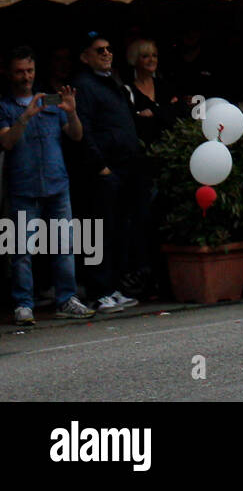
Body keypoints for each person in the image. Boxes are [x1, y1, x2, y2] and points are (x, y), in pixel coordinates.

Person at [1, 48, 96, 324]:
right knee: (22, 251)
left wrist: (73, 112)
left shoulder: (49, 101)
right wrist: (25, 116)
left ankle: (67, 299)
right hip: (23, 186)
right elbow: (5, 142)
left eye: (29, 71)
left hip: (57, 183)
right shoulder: (5, 107)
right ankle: (23, 304)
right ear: (9, 73)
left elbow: (76, 135)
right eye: (20, 72)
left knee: (64, 245)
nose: (26, 77)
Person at [71, 32, 142, 314]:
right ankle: (97, 292)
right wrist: (100, 166)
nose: (106, 53)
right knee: (96, 232)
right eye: (99, 50)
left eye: (109, 49)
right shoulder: (83, 86)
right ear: (84, 57)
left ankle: (112, 288)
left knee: (117, 230)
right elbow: (83, 131)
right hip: (101, 172)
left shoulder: (113, 82)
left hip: (124, 170)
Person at [123, 38, 182, 299]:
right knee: (143, 223)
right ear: (135, 60)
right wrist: (162, 112)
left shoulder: (165, 86)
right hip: (143, 167)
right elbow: (133, 123)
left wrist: (155, 114)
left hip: (168, 163)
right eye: (145, 56)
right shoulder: (127, 91)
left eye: (154, 56)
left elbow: (179, 113)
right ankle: (144, 277)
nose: (151, 61)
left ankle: (165, 281)